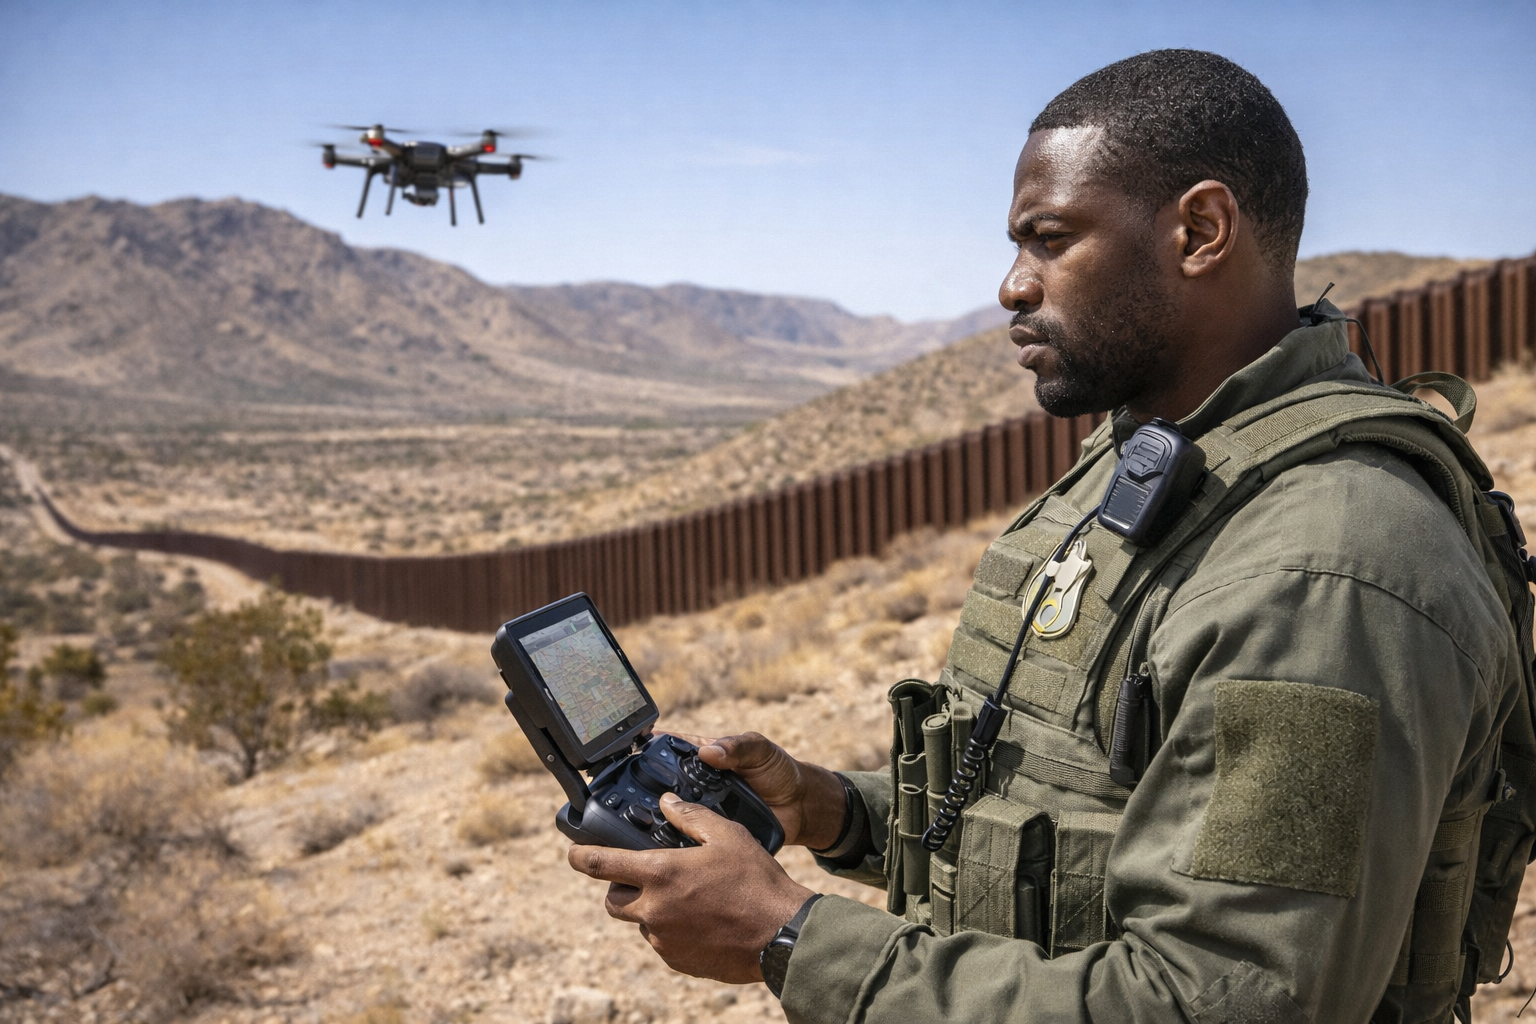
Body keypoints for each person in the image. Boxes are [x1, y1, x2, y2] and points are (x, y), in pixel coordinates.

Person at [569, 50, 1528, 1022]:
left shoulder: (1328, 572)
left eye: (1050, 240)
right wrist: (826, 808)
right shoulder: (1163, 469)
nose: (1011, 287)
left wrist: (789, 936)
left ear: (1201, 230)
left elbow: (1225, 1000)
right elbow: (1067, 822)